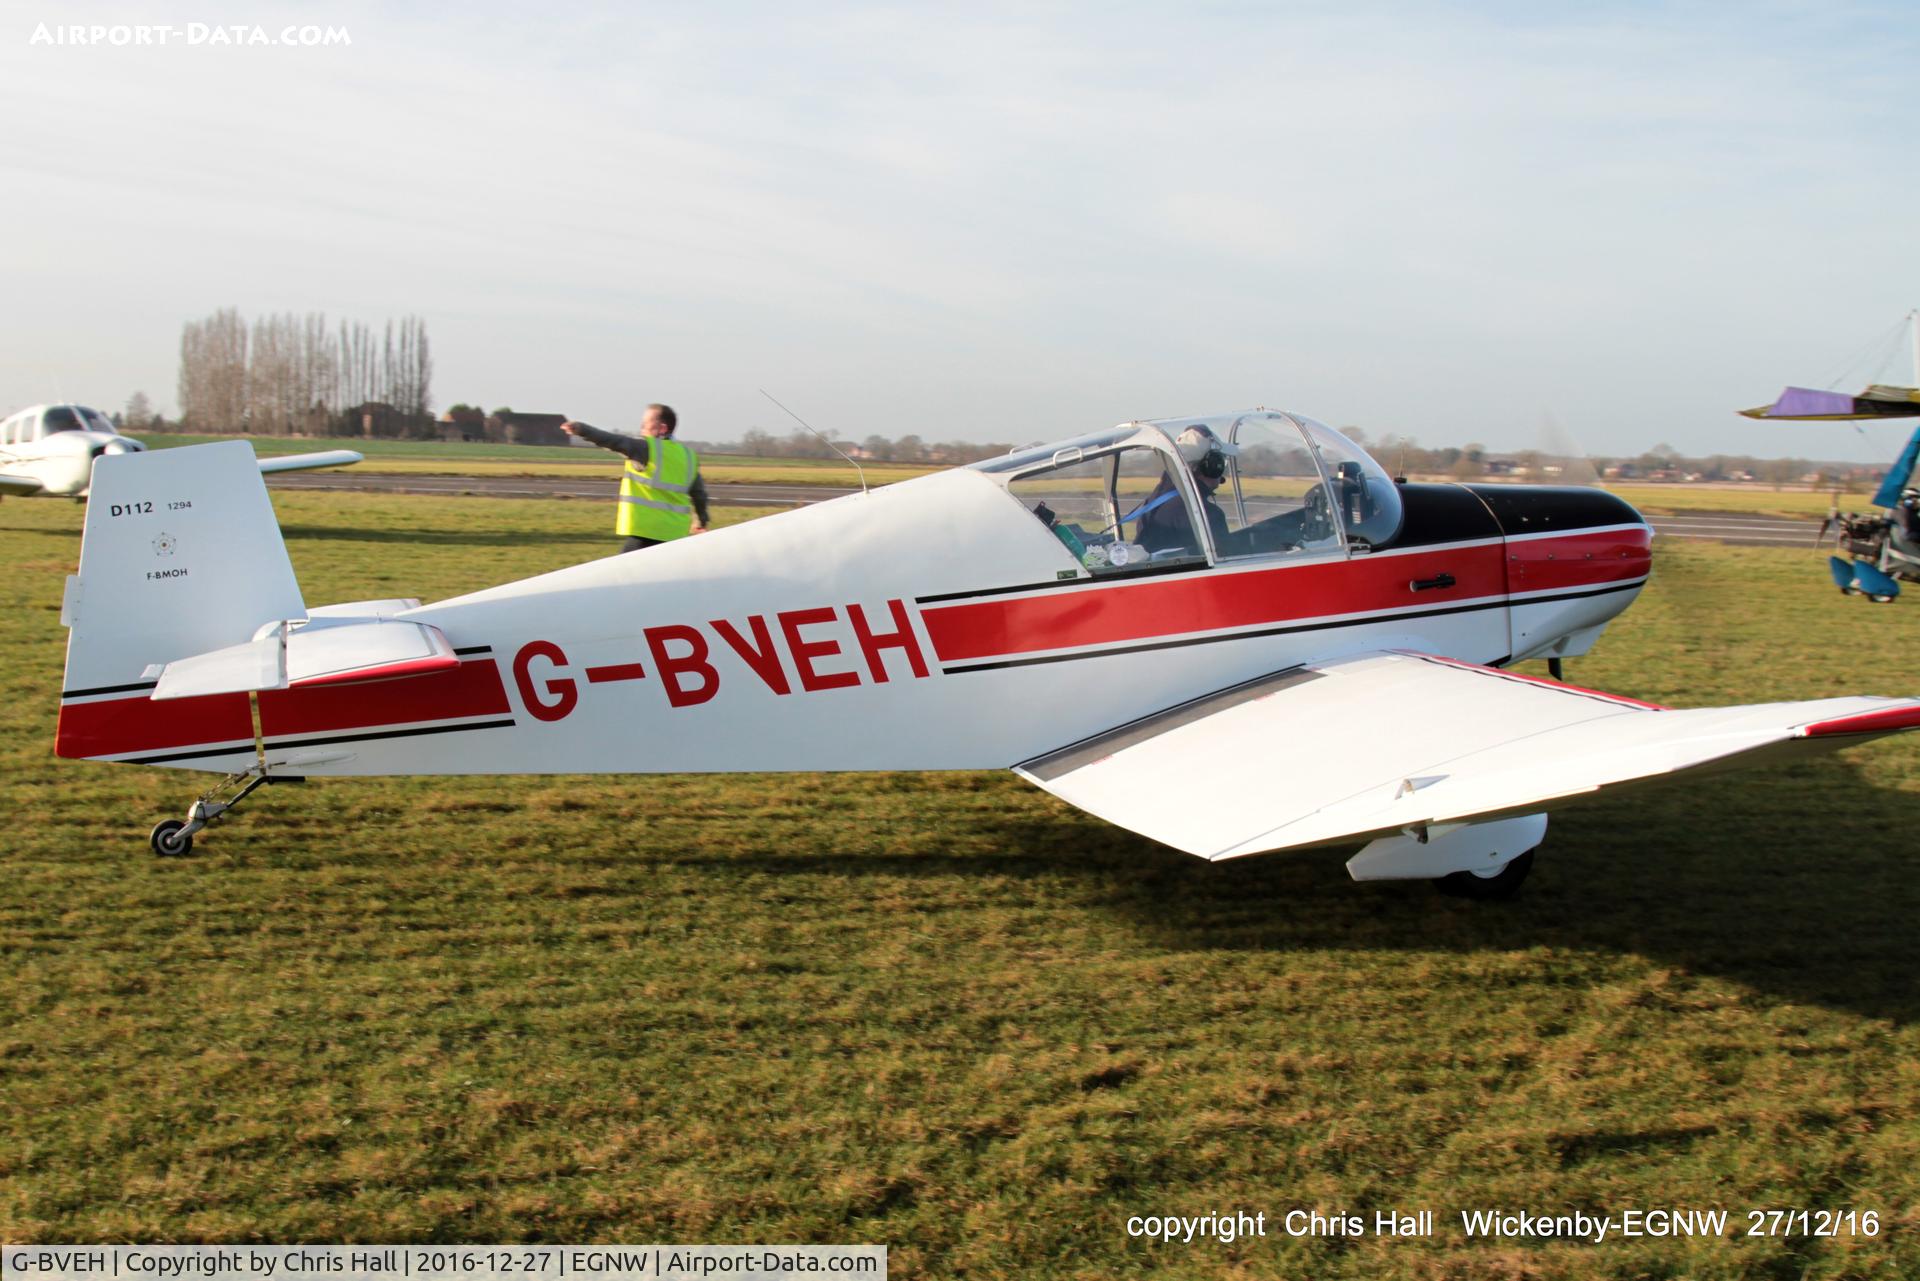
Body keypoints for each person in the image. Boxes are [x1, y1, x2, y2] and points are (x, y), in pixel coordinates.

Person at [561, 403, 710, 551]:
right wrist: (701, 520)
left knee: (622, 572)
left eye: (645, 424)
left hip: (646, 531)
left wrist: (581, 429)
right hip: (675, 535)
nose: (641, 428)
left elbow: (612, 440)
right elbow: (699, 494)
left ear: (662, 429)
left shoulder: (645, 447)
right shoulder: (688, 456)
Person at [1135, 425, 1235, 556]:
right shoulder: (1207, 514)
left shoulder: (1152, 504)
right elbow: (1226, 561)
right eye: (1221, 461)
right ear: (1210, 466)